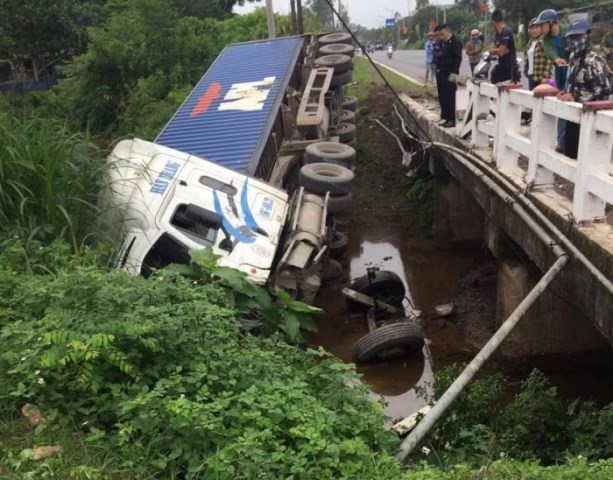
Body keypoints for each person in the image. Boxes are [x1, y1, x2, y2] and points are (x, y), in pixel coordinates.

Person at [557, 19, 611, 159]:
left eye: (578, 37)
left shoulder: (594, 61)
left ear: (587, 35)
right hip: (572, 115)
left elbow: (603, 91)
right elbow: (572, 83)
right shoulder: (573, 57)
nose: (575, 41)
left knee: (584, 158)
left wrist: (577, 98)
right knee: (570, 155)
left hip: (587, 117)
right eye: (572, 38)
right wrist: (566, 92)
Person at [534, 9, 567, 152]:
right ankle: (561, 141)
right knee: (563, 104)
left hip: (576, 72)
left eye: (542, 25)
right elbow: (550, 52)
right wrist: (556, 59)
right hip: (561, 73)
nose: (540, 28)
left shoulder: (566, 31)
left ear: (551, 23)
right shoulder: (546, 40)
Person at [435, 24, 463, 128]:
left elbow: (457, 59)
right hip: (441, 72)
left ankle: (451, 119)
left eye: (442, 34)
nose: (441, 36)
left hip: (450, 73)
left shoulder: (455, 42)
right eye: (439, 35)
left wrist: (454, 72)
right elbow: (439, 57)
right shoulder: (442, 43)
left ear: (448, 32)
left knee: (450, 96)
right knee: (442, 96)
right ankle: (445, 116)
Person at [489, 9, 517, 84]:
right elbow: (491, 50)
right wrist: (500, 50)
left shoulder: (506, 31)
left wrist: (498, 50)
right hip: (501, 64)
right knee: (494, 79)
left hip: (509, 66)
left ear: (493, 22)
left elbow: (501, 53)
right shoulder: (497, 34)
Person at [524, 18, 553, 90]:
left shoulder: (544, 42)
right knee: (532, 98)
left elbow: (549, 60)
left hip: (541, 78)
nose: (534, 30)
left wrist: (545, 77)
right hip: (531, 76)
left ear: (541, 28)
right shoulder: (530, 43)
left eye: (536, 27)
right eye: (532, 28)